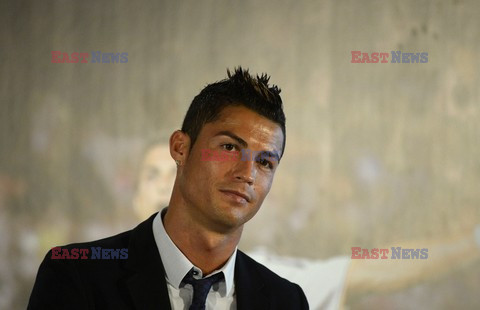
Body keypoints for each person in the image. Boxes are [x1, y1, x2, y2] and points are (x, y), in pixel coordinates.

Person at [28, 67, 309, 309]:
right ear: (180, 148)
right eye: (229, 147)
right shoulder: (76, 276)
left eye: (264, 162)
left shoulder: (286, 301)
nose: (247, 174)